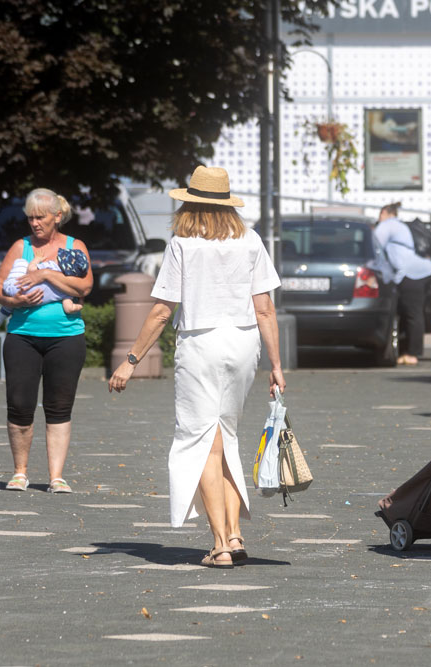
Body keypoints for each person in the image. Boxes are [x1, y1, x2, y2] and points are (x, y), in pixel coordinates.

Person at [109, 166, 285, 569]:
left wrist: (131, 361)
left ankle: (220, 544)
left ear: (189, 204)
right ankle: (235, 535)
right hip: (243, 342)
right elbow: (265, 308)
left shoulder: (183, 243)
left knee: (201, 441)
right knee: (226, 437)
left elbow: (161, 311)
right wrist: (276, 365)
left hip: (200, 343)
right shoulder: (250, 240)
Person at [0, 188, 93, 493]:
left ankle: (56, 476)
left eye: (41, 217)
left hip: (66, 337)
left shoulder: (74, 246)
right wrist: (15, 301)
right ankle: (20, 472)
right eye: (31, 218)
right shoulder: (20, 247)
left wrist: (45, 276)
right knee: (20, 405)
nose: (34, 223)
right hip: (22, 336)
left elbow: (85, 287)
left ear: (57, 216)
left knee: (59, 407)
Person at [373, 201, 431, 365]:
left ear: (384, 213)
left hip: (412, 273)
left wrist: (392, 279)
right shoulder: (400, 226)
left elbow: (374, 247)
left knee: (412, 313)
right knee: (410, 312)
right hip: (422, 270)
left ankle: (412, 354)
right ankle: (406, 351)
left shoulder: (387, 225)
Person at [0, 247, 87, 329]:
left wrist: (37, 259)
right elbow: (68, 309)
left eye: (58, 257)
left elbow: (31, 270)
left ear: (60, 261)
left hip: (14, 286)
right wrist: (80, 305)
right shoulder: (68, 289)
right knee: (16, 302)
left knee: (21, 262)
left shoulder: (51, 266)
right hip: (28, 303)